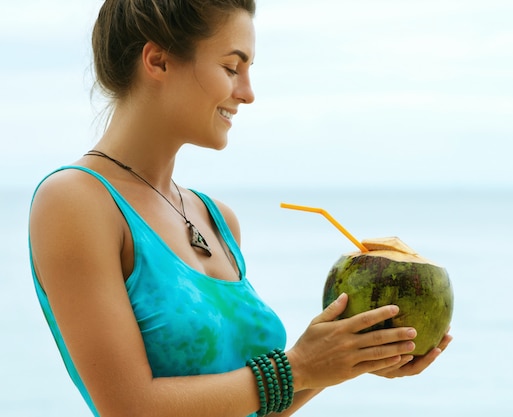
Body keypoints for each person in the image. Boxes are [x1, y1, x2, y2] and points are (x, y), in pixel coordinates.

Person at [28, 1, 453, 416]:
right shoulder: (74, 201)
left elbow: (250, 406)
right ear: (157, 61)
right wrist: (300, 365)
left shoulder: (217, 218)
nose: (247, 94)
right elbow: (129, 407)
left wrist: (345, 358)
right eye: (232, 68)